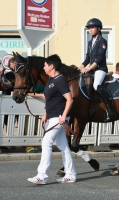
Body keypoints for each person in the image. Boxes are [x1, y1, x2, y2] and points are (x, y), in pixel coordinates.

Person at [27, 54, 76, 184]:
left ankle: (42, 176)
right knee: (63, 146)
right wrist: (45, 114)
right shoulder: (50, 80)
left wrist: (64, 116)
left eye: (45, 65)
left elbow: (69, 99)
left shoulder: (60, 80)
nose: (43, 67)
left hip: (59, 117)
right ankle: (70, 174)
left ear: (52, 66)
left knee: (46, 141)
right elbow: (49, 98)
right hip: (53, 116)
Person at [78, 18, 117, 121]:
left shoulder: (103, 41)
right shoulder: (90, 42)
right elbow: (87, 58)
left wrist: (88, 69)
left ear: (99, 28)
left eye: (92, 28)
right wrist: (78, 68)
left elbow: (99, 59)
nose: (90, 30)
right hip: (92, 69)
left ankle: (110, 109)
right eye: (89, 28)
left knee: (96, 85)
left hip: (101, 69)